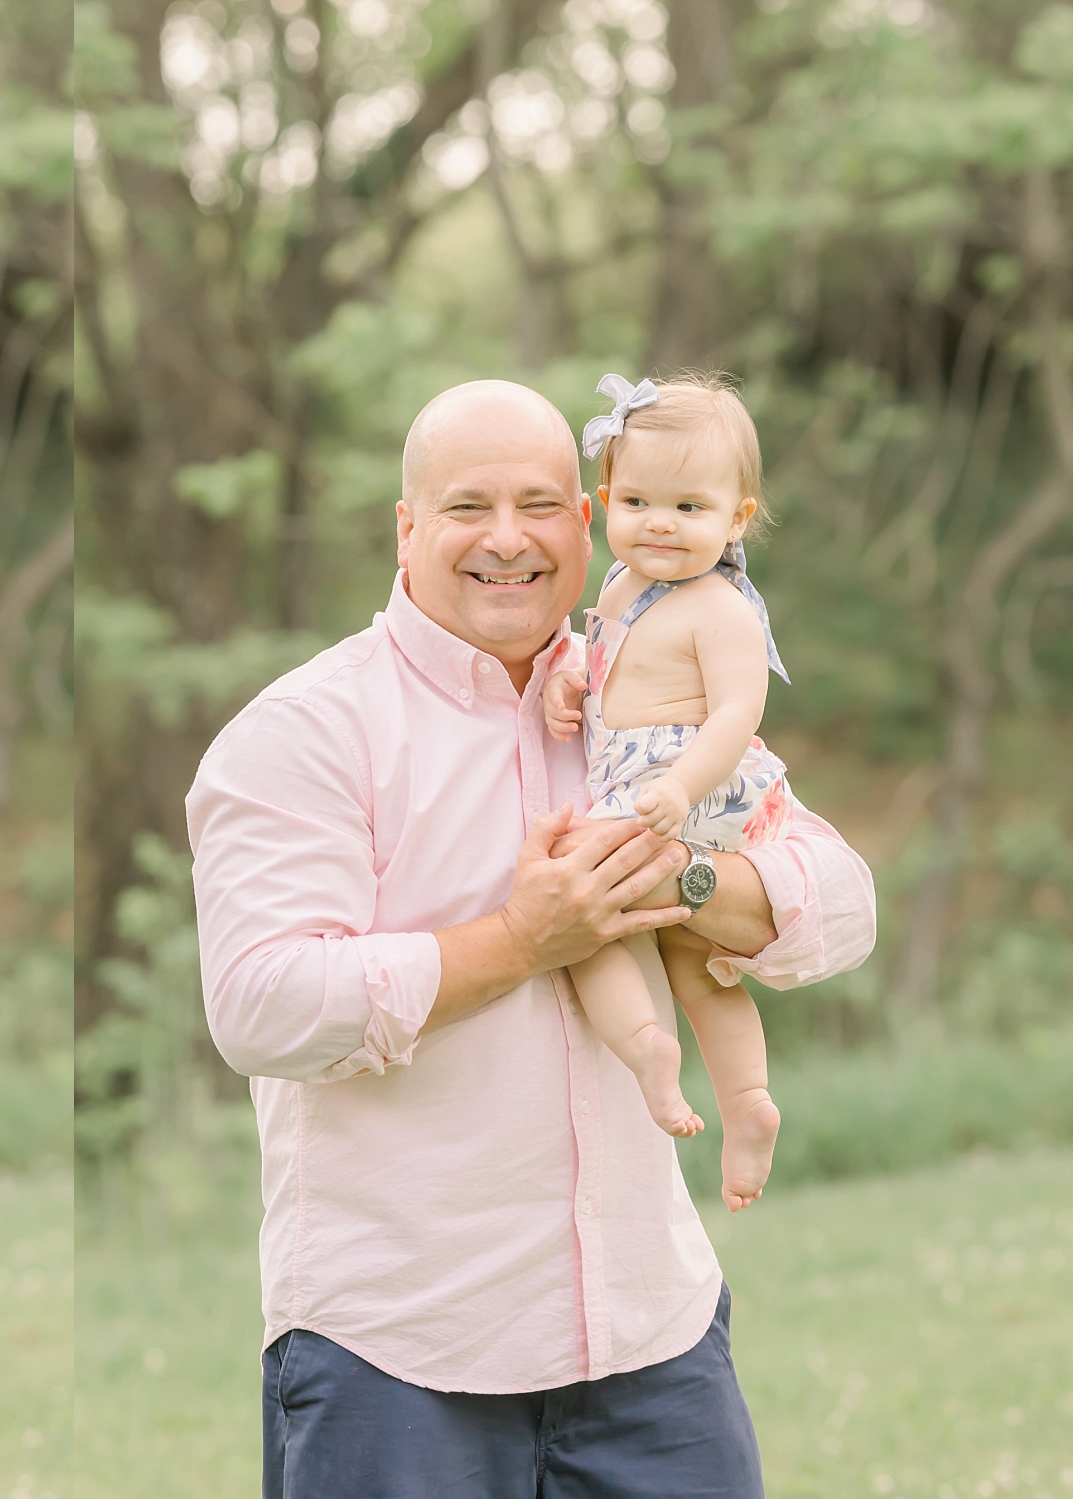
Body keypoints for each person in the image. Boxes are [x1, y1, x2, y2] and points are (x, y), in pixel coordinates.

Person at [185, 380, 876, 1498]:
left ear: (582, 517)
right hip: (396, 1357)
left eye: (539, 503)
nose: (506, 539)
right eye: (466, 506)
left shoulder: (637, 696)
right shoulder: (302, 733)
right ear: (405, 528)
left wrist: (685, 879)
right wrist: (520, 937)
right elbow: (262, 1005)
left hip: (653, 1345)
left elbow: (841, 906)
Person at [538, 373, 793, 1211]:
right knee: (698, 957)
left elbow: (737, 713)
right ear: (606, 498)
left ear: (736, 519)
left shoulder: (720, 607)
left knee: (584, 908)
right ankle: (748, 1100)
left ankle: (648, 1048)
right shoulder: (616, 587)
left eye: (689, 508)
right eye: (640, 500)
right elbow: (604, 662)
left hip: (695, 782)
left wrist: (682, 787)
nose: (660, 523)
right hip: (647, 780)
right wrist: (570, 683)